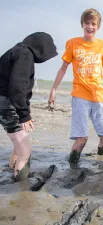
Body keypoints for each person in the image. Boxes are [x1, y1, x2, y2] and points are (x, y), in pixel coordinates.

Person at [48, 8, 103, 166]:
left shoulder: (101, 44)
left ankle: (101, 167)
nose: (90, 26)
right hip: (80, 96)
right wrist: (53, 90)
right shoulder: (73, 43)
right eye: (87, 23)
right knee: (82, 139)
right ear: (82, 24)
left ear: (98, 27)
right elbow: (63, 68)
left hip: (99, 96)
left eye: (94, 24)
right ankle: (71, 167)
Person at [0, 32, 58, 181]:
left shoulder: (17, 51)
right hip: (5, 103)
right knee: (25, 150)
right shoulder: (25, 55)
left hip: (5, 102)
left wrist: (24, 114)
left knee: (19, 140)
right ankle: (20, 189)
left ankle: (13, 169)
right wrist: (24, 114)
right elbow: (17, 87)